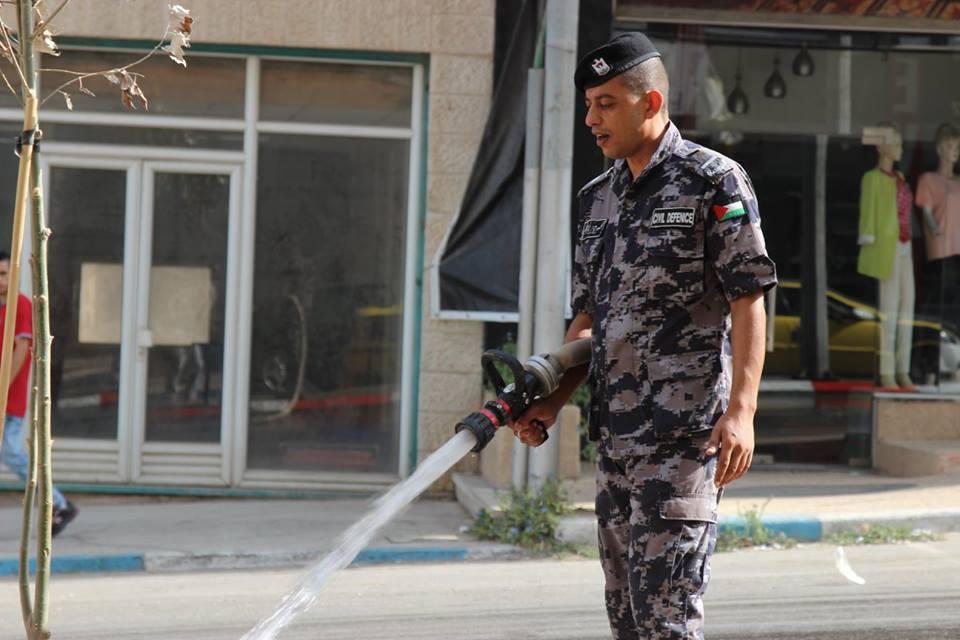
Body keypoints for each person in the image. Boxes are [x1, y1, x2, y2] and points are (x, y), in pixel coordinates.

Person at [510, 33, 777, 639]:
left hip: (683, 443)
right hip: (616, 444)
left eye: (606, 104)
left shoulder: (713, 181)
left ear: (650, 102)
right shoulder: (596, 199)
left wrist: (742, 411)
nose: (591, 119)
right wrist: (551, 399)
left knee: (667, 621)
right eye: (588, 105)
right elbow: (589, 322)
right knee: (627, 618)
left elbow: (749, 298)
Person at [0, 251, 78, 536]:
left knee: (11, 451)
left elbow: (22, 350)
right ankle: (58, 503)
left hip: (9, 398)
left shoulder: (20, 306)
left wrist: (2, 388)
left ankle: (57, 503)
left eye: (4, 274)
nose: (0, 280)